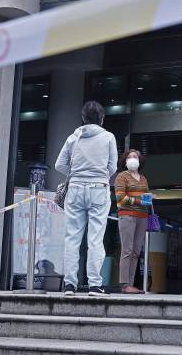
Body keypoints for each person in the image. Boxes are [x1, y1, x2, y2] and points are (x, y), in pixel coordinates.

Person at [55, 101, 118, 297]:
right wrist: (98, 176)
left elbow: (59, 165)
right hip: (99, 188)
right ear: (102, 118)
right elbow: (113, 167)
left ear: (83, 118)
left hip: (74, 188)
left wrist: (75, 175)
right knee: (95, 238)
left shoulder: (73, 138)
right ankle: (94, 285)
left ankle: (69, 285)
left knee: (72, 237)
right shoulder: (108, 137)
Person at [114, 149, 153, 294]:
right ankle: (125, 284)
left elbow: (146, 196)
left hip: (142, 217)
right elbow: (120, 198)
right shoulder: (122, 177)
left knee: (136, 251)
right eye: (129, 157)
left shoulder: (143, 178)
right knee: (127, 250)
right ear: (125, 161)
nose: (132, 159)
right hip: (127, 216)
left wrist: (149, 199)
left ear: (139, 160)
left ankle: (129, 284)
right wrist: (140, 201)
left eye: (134, 157)